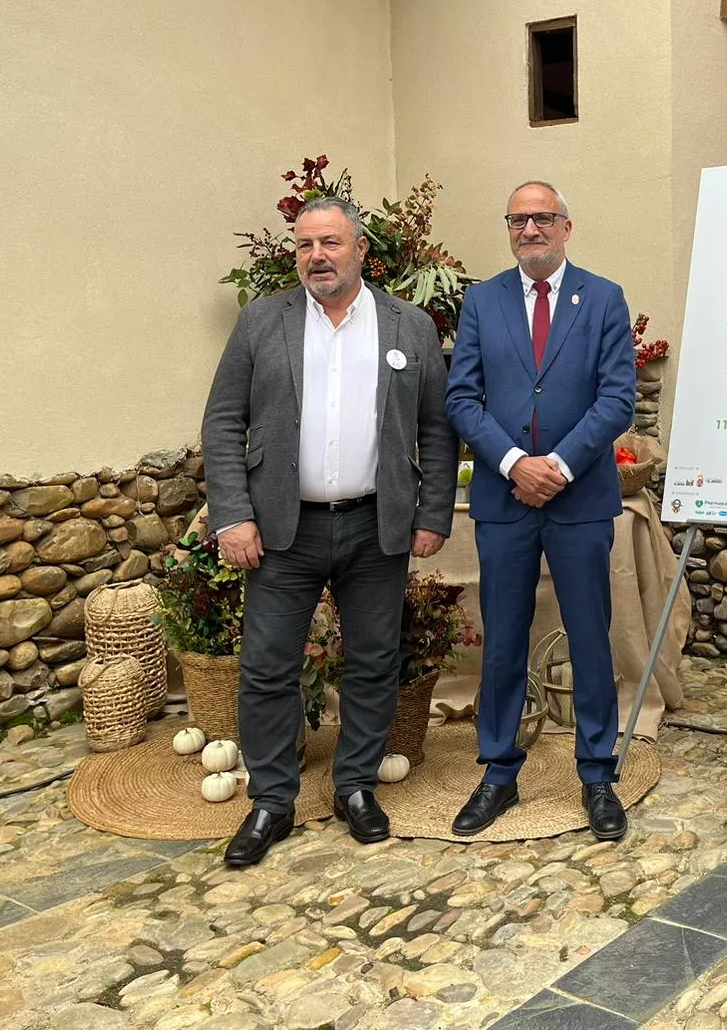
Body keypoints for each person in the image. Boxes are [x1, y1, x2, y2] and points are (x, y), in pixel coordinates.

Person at [202, 195, 457, 867]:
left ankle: (355, 788)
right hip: (284, 529)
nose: (317, 255)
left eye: (331, 243)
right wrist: (232, 513)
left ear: (361, 251)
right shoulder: (262, 322)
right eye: (306, 244)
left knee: (374, 661)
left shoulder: (410, 327)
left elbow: (436, 428)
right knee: (266, 666)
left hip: (377, 525)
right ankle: (272, 802)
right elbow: (223, 421)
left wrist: (431, 514)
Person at [444, 181, 637, 839]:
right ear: (509, 229)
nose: (530, 229)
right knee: (502, 641)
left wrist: (555, 466)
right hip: (504, 499)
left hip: (578, 498)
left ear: (565, 226)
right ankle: (498, 772)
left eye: (542, 218)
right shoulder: (482, 300)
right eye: (518, 219)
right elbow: (462, 398)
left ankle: (597, 773)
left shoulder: (603, 298)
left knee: (588, 636)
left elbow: (616, 400)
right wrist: (512, 465)